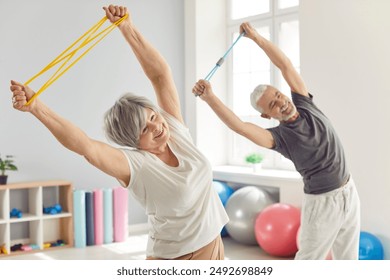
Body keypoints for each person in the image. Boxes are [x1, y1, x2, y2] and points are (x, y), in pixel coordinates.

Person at [10, 5, 228, 260]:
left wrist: (126, 27)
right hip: (177, 258)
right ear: (132, 140)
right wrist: (37, 108)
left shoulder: (175, 129)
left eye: (153, 117)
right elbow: (85, 147)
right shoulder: (135, 164)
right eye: (144, 129)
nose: (157, 127)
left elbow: (160, 75)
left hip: (214, 244)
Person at [192, 22, 360, 260]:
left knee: (349, 260)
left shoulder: (304, 103)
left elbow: (285, 65)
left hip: (349, 190)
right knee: (309, 261)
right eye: (272, 104)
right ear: (266, 115)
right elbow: (239, 126)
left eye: (278, 96)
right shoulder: (279, 137)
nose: (281, 102)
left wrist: (256, 38)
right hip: (322, 202)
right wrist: (209, 97)